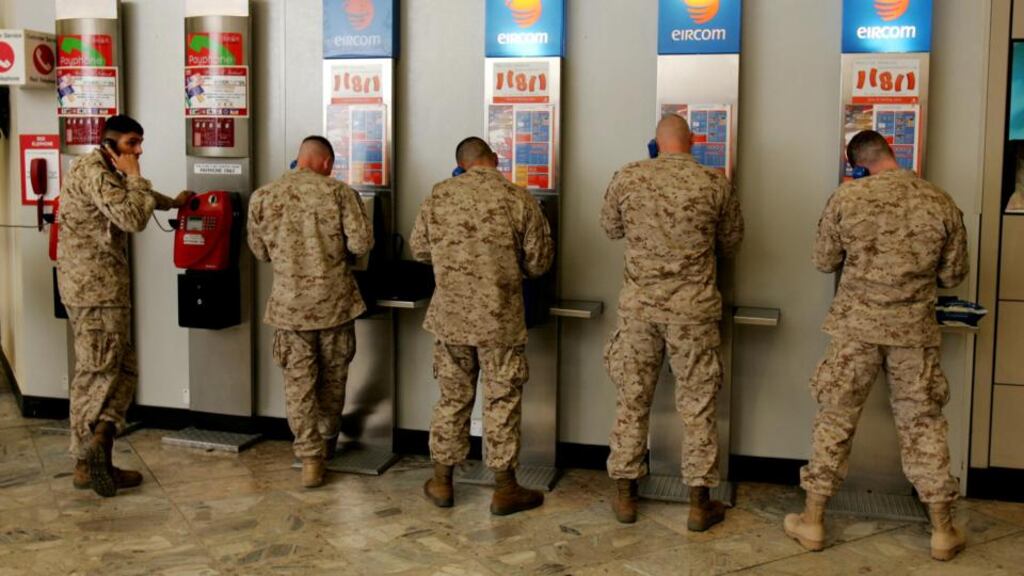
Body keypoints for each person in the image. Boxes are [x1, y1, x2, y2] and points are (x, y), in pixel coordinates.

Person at [785, 131, 969, 561]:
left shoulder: (846, 199)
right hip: (913, 333)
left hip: (855, 331)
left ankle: (812, 522)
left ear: (857, 163)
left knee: (835, 420)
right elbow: (952, 275)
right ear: (892, 151)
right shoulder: (939, 200)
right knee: (923, 424)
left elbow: (823, 260)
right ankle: (942, 531)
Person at [601, 114, 744, 531]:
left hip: (640, 310)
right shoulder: (714, 183)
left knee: (631, 400)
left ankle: (626, 496)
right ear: (693, 141)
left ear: (655, 142)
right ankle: (700, 503)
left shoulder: (628, 177)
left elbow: (609, 228)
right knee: (698, 405)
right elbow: (731, 242)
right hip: (693, 312)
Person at [411, 137, 554, 516]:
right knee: (501, 400)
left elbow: (420, 250)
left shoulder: (439, 196)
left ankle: (442, 481)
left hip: (450, 319)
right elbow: (539, 262)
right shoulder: (518, 198)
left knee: (452, 398)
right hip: (499, 320)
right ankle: (505, 488)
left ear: (461, 164)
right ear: (494, 159)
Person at [57, 114, 190, 497]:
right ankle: (84, 462)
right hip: (95, 293)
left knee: (122, 370)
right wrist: (136, 174)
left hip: (105, 292)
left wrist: (171, 202)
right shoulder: (95, 171)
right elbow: (132, 216)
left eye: (140, 143)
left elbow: (128, 198)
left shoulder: (106, 170)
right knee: (97, 373)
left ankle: (102, 443)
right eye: (132, 143)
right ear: (110, 143)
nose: (139, 150)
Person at [248, 136, 373, 489]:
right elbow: (362, 244)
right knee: (333, 382)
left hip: (289, 309)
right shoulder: (340, 194)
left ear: (299, 158)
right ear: (327, 163)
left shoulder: (265, 195)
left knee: (298, 385)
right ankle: (329, 440)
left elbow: (259, 251)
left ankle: (310, 460)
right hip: (334, 305)